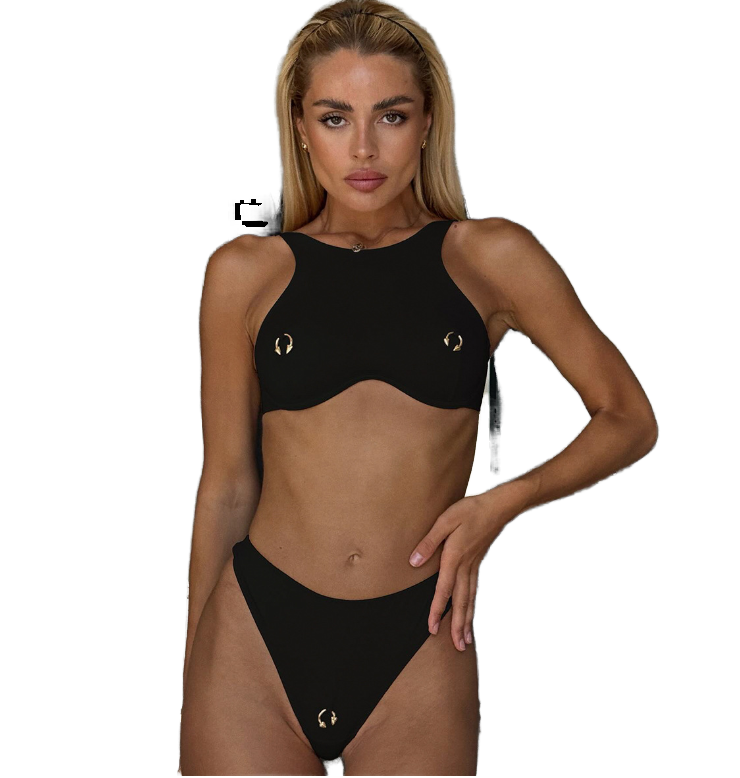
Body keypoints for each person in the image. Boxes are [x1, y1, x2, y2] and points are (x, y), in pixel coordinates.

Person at [179, 1, 659, 774]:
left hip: (421, 635)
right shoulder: (243, 273)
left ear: (429, 121)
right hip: (252, 642)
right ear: (299, 126)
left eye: (391, 116)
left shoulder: (489, 257)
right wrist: (194, 667)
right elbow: (228, 484)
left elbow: (628, 416)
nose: (363, 148)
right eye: (335, 118)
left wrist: (496, 507)